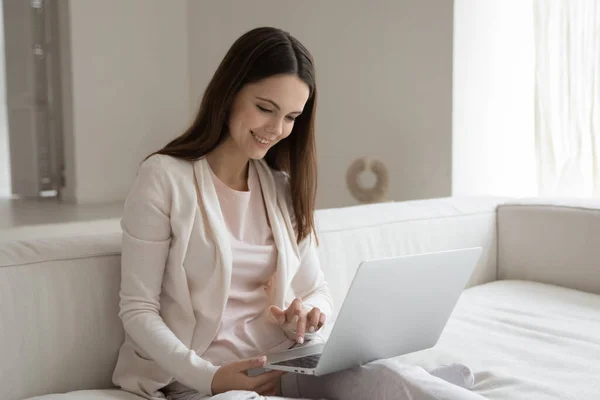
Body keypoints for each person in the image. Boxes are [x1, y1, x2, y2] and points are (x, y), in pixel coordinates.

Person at [112, 27, 484, 400]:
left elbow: (317, 289)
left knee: (389, 377)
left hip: (285, 365)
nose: (276, 129)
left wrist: (308, 315)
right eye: (264, 108)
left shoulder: (280, 187)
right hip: (207, 383)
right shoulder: (163, 178)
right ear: (229, 92)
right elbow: (138, 310)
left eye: (291, 117)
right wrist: (210, 378)